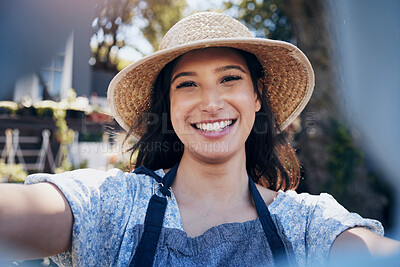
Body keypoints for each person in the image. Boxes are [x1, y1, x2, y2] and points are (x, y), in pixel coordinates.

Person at [0, 12, 399, 266]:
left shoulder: (307, 224)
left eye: (229, 78)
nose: (210, 103)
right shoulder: (112, 205)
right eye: (187, 84)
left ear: (257, 95)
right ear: (169, 106)